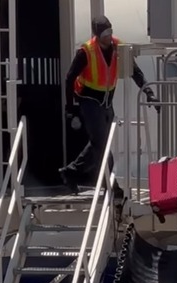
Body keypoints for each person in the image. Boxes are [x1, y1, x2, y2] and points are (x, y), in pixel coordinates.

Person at [58, 15, 159, 201]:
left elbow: (135, 71)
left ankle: (71, 172)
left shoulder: (118, 47)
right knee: (101, 143)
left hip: (107, 101)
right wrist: (69, 106)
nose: (108, 36)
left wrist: (149, 93)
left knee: (99, 143)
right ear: (97, 34)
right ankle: (110, 184)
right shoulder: (86, 51)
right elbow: (69, 78)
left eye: (110, 31)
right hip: (89, 99)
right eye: (104, 32)